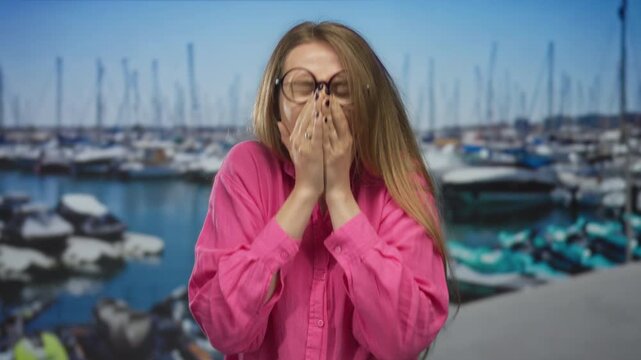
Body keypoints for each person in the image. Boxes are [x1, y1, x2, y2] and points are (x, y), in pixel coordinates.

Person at [188, 20, 453, 360]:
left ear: (368, 102)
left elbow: (402, 341)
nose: (322, 103)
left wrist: (339, 194)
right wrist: (305, 191)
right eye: (303, 86)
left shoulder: (400, 181)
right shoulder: (245, 169)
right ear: (276, 100)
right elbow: (224, 329)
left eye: (341, 88)